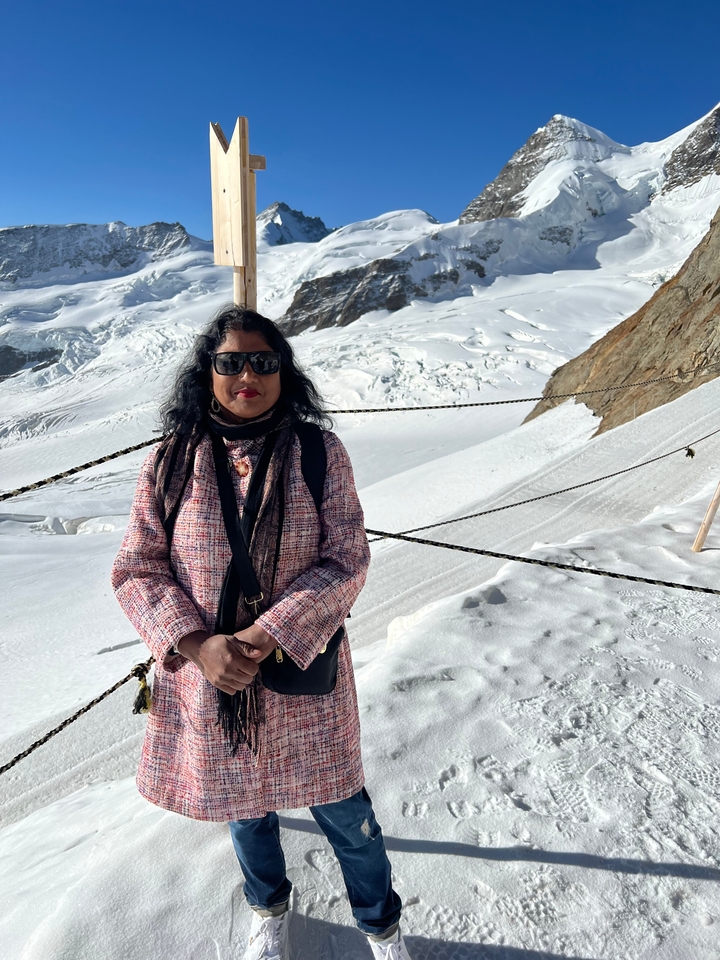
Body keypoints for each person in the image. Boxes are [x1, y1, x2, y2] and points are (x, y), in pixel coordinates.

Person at [111, 306, 413, 960]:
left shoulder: (317, 452)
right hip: (213, 684)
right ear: (207, 372)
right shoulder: (171, 461)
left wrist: (268, 632)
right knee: (246, 815)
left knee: (348, 817)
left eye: (263, 361)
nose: (247, 374)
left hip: (303, 680)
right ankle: (268, 909)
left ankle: (381, 927)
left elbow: (346, 559)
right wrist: (197, 645)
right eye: (231, 362)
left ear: (283, 371)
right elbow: (137, 568)